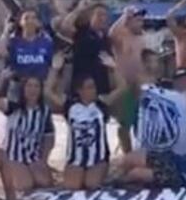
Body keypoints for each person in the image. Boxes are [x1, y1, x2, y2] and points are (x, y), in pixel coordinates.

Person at [45, 52, 128, 190]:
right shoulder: (70, 105)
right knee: (72, 186)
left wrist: (113, 68)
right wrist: (54, 69)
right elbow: (48, 91)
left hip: (98, 159)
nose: (93, 90)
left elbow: (122, 87)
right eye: (89, 87)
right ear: (80, 90)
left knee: (91, 184)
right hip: (75, 159)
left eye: (93, 87)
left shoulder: (101, 103)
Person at [0, 68, 55, 193]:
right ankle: (7, 172)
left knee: (45, 183)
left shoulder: (44, 111)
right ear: (23, 88)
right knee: (25, 185)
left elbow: (49, 137)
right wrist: (1, 79)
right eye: (29, 86)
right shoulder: (13, 106)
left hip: (34, 157)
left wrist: (43, 160)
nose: (33, 90)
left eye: (36, 86)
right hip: (13, 156)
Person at [109, 6, 149, 153]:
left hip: (141, 86)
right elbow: (111, 34)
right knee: (125, 123)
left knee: (142, 121)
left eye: (142, 20)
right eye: (137, 20)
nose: (140, 23)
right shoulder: (122, 36)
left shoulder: (143, 38)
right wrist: (124, 16)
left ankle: (141, 151)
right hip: (125, 85)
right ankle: (127, 153)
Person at [58, 2, 114, 97]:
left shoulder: (106, 38)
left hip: (102, 88)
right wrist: (78, 9)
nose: (102, 18)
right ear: (90, 16)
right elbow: (66, 26)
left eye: (105, 15)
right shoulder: (82, 32)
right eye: (99, 14)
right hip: (81, 87)